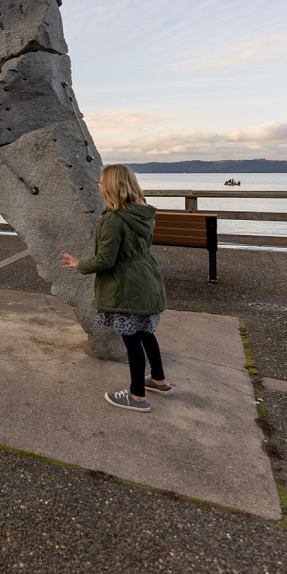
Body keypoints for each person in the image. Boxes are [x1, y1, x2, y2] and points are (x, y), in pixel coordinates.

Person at [59, 164, 171, 413]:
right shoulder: (140, 213)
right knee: (146, 334)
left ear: (110, 186)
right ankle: (159, 380)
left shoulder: (113, 219)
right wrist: (109, 222)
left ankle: (137, 396)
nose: (98, 185)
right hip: (148, 280)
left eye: (100, 182)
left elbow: (105, 260)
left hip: (127, 286)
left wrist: (79, 263)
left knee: (131, 341)